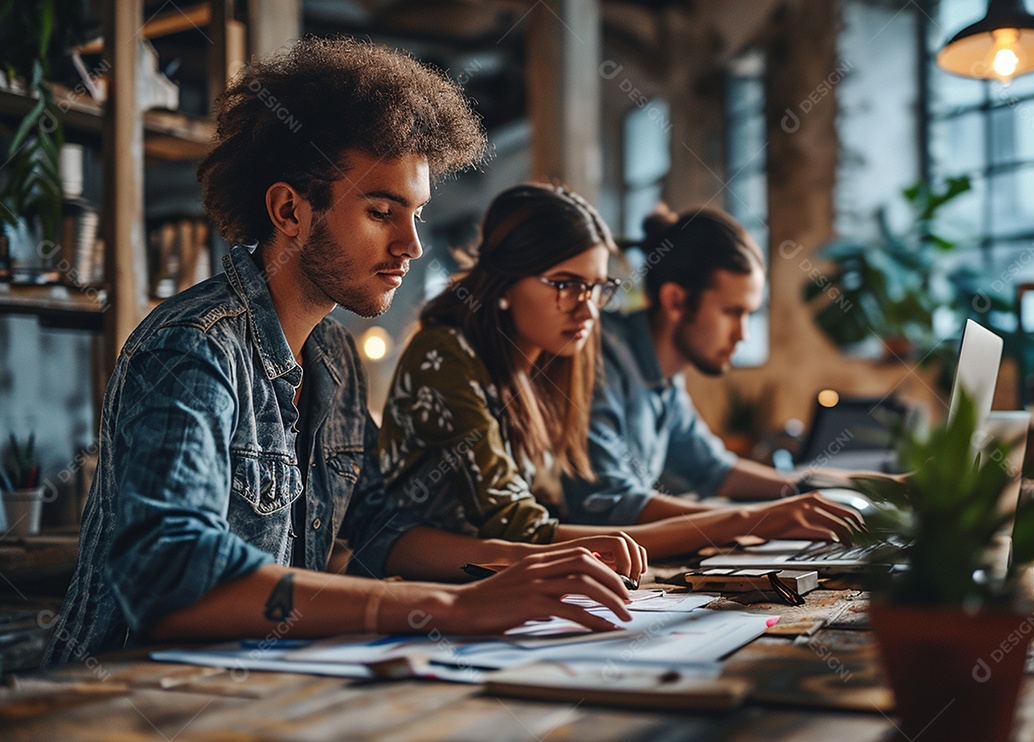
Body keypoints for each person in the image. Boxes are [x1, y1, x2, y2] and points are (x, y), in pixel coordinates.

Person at [43, 39, 640, 667]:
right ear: (289, 211)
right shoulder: (193, 348)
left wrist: (535, 565)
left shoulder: (333, 358)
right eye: (382, 211)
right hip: (122, 705)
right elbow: (171, 579)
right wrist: (449, 610)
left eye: (416, 215)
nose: (411, 245)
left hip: (257, 695)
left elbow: (382, 528)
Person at [379, 184, 861, 559]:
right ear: (505, 282)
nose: (587, 310)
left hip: (486, 585)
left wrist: (829, 490)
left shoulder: (547, 364)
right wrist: (751, 521)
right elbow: (523, 525)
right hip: (411, 590)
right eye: (565, 285)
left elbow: (707, 469)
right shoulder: (446, 355)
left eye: (595, 287)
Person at [561, 206, 860, 527]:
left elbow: (714, 471)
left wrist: (847, 487)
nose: (742, 334)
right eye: (732, 311)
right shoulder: (599, 354)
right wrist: (759, 519)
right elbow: (609, 504)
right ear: (675, 300)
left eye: (748, 314)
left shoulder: (664, 375)